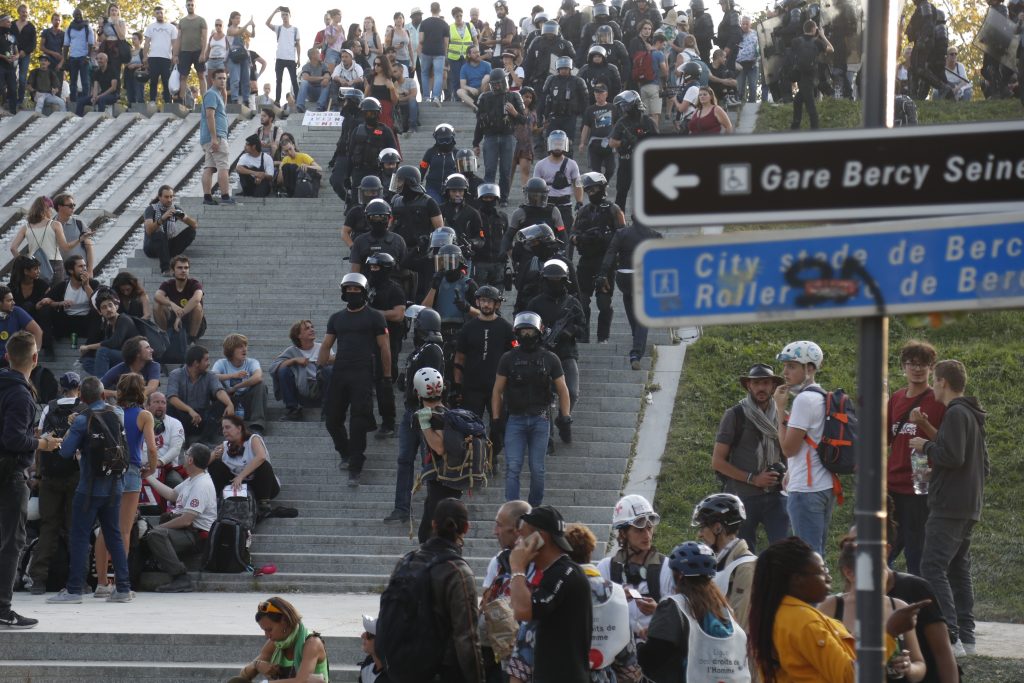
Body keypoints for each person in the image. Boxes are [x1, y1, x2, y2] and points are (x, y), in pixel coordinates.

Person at [748, 536, 927, 683]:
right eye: (822, 571)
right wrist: (890, 632)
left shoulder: (782, 615)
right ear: (797, 580)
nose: (829, 577)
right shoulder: (806, 623)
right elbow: (851, 677)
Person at [909, 359, 988, 656]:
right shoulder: (972, 414)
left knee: (932, 566)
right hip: (968, 504)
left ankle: (951, 637)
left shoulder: (955, 412)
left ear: (942, 382)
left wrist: (925, 447)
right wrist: (936, 473)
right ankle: (967, 637)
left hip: (949, 506)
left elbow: (952, 456)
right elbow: (978, 464)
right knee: (957, 569)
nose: (932, 387)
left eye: (935, 381)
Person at [47, 376, 133, 605]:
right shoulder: (117, 414)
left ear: (82, 398)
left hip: (89, 488)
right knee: (114, 535)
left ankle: (75, 590)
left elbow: (65, 452)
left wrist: (70, 429)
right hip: (115, 485)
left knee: (79, 537)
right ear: (103, 395)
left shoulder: (82, 419)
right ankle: (123, 589)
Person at [381, 498, 484, 681]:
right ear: (466, 528)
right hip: (440, 671)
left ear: (433, 524)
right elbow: (466, 638)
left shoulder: (406, 561)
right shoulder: (458, 572)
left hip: (401, 669)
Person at [638, 541, 749, 683]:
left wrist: (640, 645)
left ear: (679, 575)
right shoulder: (724, 608)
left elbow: (651, 660)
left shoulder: (673, 606)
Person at [492, 312, 572, 506]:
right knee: (513, 467)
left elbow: (563, 389)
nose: (527, 335)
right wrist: (495, 419)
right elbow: (497, 390)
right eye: (523, 331)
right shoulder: (508, 358)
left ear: (539, 332)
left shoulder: (550, 358)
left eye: (530, 331)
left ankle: (534, 508)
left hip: (540, 419)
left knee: (537, 469)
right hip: (515, 419)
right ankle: (512, 509)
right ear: (517, 333)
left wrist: (565, 417)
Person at [819, 538, 927, 682]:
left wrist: (909, 668)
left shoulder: (899, 607)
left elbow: (919, 664)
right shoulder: (831, 607)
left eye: (882, 568)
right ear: (849, 573)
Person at [319, 273, 390, 486]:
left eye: (356, 289)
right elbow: (326, 345)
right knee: (332, 420)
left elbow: (384, 347)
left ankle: (355, 467)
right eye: (348, 289)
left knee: (358, 422)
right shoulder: (336, 318)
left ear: (364, 292)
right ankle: (345, 452)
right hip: (340, 372)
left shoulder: (375, 317)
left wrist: (387, 376)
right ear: (343, 292)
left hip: (363, 373)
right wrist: (319, 367)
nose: (352, 293)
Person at [92, 373, 159, 598]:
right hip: (131, 470)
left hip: (108, 471)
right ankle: (121, 583)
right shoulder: (144, 415)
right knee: (123, 530)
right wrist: (151, 468)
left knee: (104, 528)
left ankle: (102, 583)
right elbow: (151, 448)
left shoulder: (110, 412)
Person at [509, 504, 593, 682]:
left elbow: (523, 610)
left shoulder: (565, 572)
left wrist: (517, 567)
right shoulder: (553, 572)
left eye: (522, 535)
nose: (518, 542)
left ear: (539, 538)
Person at [712, 363, 790, 549]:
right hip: (743, 497)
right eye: (756, 383)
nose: (761, 388)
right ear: (748, 386)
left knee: (783, 552)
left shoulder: (782, 416)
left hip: (776, 495)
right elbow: (717, 461)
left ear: (773, 386)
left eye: (766, 383)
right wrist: (754, 479)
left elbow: (789, 453)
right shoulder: (735, 415)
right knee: (744, 554)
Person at [0, 332, 48, 627]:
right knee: (11, 542)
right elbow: (14, 439)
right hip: (9, 475)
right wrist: (41, 443)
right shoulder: (20, 394)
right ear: (35, 358)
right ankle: (3, 609)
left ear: (7, 356)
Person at [773, 340, 835, 557]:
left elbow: (788, 449)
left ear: (809, 368)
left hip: (806, 490)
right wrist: (791, 470)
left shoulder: (803, 400)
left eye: (791, 366)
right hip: (824, 484)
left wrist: (779, 408)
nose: (785, 372)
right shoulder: (822, 396)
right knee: (817, 553)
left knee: (807, 558)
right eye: (785, 366)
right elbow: (812, 442)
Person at [888, 340, 945, 576]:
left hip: (919, 488)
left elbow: (948, 443)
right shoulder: (896, 398)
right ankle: (883, 593)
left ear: (931, 368)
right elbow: (885, 438)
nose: (917, 369)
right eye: (911, 363)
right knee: (884, 550)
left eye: (923, 364)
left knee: (916, 552)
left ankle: (918, 594)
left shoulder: (938, 400)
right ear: (903, 367)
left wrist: (924, 424)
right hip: (892, 486)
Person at [382, 307, 444, 524]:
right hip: (411, 411)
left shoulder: (432, 349)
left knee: (429, 462)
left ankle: (435, 510)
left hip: (425, 411)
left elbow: (433, 382)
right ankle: (401, 508)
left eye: (416, 324)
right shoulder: (421, 350)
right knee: (404, 460)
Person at [26, 372, 82, 596]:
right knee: (74, 528)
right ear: (79, 387)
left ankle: (38, 580)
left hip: (50, 476)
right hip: (76, 476)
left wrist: (39, 475)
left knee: (48, 527)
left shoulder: (49, 407)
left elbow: (40, 443)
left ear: (60, 387)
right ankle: (78, 580)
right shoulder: (83, 408)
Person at [140, 443, 216, 593]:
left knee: (155, 535)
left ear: (190, 460)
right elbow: (172, 495)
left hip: (196, 535)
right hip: (185, 530)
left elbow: (187, 520)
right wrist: (148, 477)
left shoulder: (202, 484)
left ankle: (181, 578)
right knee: (150, 531)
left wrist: (158, 528)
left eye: (186, 454)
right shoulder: (192, 479)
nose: (184, 456)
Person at [598, 218, 661, 369]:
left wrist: (603, 274)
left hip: (624, 277)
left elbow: (610, 253)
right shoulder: (654, 235)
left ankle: (636, 336)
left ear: (632, 218)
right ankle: (636, 353)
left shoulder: (621, 233)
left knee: (629, 300)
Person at [692, 493, 757, 632]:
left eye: (702, 527)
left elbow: (739, 626)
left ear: (717, 528)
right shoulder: (720, 562)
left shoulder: (746, 566)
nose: (700, 534)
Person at [571, 172, 622, 344]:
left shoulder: (614, 210)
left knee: (604, 302)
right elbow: (572, 234)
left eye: (593, 189)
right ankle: (583, 337)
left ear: (602, 188)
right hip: (586, 261)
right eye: (588, 190)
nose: (590, 193)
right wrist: (582, 238)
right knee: (582, 301)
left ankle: (603, 337)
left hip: (605, 262)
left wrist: (605, 238)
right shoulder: (583, 211)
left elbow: (622, 234)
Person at [229, 597, 330, 683]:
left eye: (269, 629)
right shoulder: (275, 643)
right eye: (264, 630)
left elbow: (301, 681)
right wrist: (257, 665)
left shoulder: (312, 643)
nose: (267, 635)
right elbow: (242, 676)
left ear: (284, 621)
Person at [454, 285, 515, 421]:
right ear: (477, 302)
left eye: (490, 301)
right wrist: (457, 385)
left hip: (498, 386)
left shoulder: (506, 328)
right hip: (472, 387)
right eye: (483, 300)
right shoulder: (468, 328)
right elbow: (459, 358)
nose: (486, 305)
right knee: (471, 426)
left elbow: (515, 353)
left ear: (497, 304)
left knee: (499, 426)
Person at [365, 254, 405, 436]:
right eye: (371, 268)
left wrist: (374, 314)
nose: (372, 271)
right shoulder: (369, 287)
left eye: (376, 268)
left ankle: (388, 423)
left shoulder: (394, 289)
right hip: (368, 339)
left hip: (389, 342)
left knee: (384, 382)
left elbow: (398, 315)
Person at [473, 68, 527, 202]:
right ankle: (489, 197)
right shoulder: (484, 97)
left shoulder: (514, 96)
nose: (497, 86)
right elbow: (479, 123)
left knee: (505, 170)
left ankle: (504, 198)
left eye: (499, 83)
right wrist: (476, 143)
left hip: (508, 137)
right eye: (494, 84)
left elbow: (524, 120)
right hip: (490, 137)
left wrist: (514, 113)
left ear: (504, 82)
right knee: (489, 169)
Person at [210, 414, 280, 516]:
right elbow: (204, 462)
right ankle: (216, 499)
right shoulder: (225, 445)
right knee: (216, 465)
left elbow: (261, 456)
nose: (224, 431)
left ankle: (264, 504)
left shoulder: (253, 439)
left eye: (228, 427)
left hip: (262, 485)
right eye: (223, 428)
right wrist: (214, 455)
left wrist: (241, 476)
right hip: (237, 486)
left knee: (263, 465)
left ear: (239, 428)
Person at [166, 344, 233, 445]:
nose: (209, 363)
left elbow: (219, 391)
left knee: (223, 403)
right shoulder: (176, 374)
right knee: (169, 406)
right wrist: (190, 410)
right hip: (184, 416)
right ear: (196, 363)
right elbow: (172, 397)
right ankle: (181, 439)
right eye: (206, 360)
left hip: (203, 417)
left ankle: (204, 440)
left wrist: (229, 404)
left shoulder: (210, 375)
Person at [8, 196, 78, 286]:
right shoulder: (55, 224)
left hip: (34, 266)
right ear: (46, 208)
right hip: (55, 264)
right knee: (56, 293)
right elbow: (65, 247)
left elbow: (13, 248)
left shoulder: (26, 227)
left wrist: (23, 264)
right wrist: (80, 239)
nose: (52, 211)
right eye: (51, 208)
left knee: (39, 293)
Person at [608, 90, 657, 213]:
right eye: (622, 106)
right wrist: (624, 142)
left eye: (625, 105)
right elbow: (611, 142)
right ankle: (619, 219)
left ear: (633, 104)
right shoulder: (622, 122)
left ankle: (641, 217)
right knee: (621, 191)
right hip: (626, 160)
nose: (623, 108)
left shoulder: (648, 121)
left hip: (643, 162)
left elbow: (657, 142)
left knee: (643, 191)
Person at [269, 320, 328, 422]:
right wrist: (294, 360)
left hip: (321, 390)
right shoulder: (292, 351)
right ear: (298, 335)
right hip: (301, 390)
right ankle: (293, 410)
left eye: (312, 327)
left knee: (329, 370)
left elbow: (337, 362)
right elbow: (273, 368)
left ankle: (328, 411)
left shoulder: (322, 348)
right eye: (307, 328)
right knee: (283, 370)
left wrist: (328, 359)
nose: (312, 330)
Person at [37, 255, 101, 348]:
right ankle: (48, 347)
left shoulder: (93, 284)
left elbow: (98, 303)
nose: (84, 269)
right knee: (46, 310)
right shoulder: (63, 286)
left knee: (96, 313)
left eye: (84, 266)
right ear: (71, 270)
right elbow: (42, 303)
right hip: (67, 322)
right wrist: (59, 303)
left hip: (86, 322)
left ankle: (89, 348)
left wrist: (86, 285)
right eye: (80, 266)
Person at [212, 333, 268, 435]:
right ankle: (220, 424)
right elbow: (211, 377)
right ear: (231, 350)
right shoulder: (221, 363)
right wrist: (233, 375)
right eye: (240, 347)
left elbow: (258, 377)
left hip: (248, 401)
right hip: (229, 400)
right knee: (216, 385)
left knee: (261, 385)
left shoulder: (252, 362)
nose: (244, 349)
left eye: (245, 346)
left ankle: (257, 425)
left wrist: (236, 387)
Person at [76, 290, 136, 378]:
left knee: (103, 351)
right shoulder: (108, 325)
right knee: (87, 361)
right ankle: (110, 380)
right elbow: (107, 344)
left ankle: (102, 384)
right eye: (104, 307)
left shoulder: (124, 320)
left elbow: (114, 343)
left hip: (133, 357)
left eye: (110, 305)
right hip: (119, 358)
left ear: (116, 306)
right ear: (100, 312)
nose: (108, 309)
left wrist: (88, 347)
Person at [144, 186, 200, 277]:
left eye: (171, 196)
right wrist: (162, 219)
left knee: (191, 231)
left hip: (168, 245)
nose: (169, 199)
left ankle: (167, 255)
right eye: (166, 197)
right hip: (152, 247)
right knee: (159, 234)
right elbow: (149, 230)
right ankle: (166, 269)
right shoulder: (151, 209)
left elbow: (194, 225)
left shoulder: (175, 208)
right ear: (159, 197)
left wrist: (184, 217)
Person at [200, 68, 235, 206]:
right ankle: (225, 196)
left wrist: (224, 91)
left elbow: (222, 108)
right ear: (212, 80)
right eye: (219, 78)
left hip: (210, 138)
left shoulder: (217, 95)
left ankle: (207, 197)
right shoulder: (211, 94)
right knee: (223, 166)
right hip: (216, 137)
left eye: (224, 78)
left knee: (209, 167)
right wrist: (214, 137)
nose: (223, 81)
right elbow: (210, 115)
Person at [789, 20, 832, 130]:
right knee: (809, 103)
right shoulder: (817, 42)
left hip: (800, 74)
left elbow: (792, 58)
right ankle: (814, 129)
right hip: (811, 75)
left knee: (798, 100)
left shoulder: (796, 41)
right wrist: (822, 36)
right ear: (813, 29)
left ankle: (795, 127)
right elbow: (831, 49)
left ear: (804, 29)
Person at [154, 255, 206, 342]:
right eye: (180, 268)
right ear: (172, 270)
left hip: (193, 323)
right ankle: (164, 337)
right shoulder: (168, 284)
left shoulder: (194, 284)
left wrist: (180, 315)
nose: (183, 270)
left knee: (197, 306)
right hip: (172, 320)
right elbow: (157, 296)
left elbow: (197, 298)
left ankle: (191, 339)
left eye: (186, 268)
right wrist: (172, 304)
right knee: (157, 304)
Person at [143, 5, 178, 104]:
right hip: (153, 58)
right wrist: (145, 56)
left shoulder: (171, 27)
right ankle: (152, 101)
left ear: (164, 14)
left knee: (166, 81)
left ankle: (168, 102)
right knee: (153, 81)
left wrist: (175, 56)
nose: (160, 15)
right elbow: (146, 43)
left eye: (161, 13)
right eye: (157, 13)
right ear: (154, 14)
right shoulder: (151, 27)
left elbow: (175, 43)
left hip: (166, 58)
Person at [0, 285, 44, 365]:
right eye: (9, 300)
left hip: (14, 362)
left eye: (12, 300)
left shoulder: (16, 311)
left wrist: (34, 354)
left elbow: (38, 331)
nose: (13, 303)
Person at [265, 7, 300, 106]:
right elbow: (267, 23)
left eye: (286, 15)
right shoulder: (279, 28)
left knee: (294, 80)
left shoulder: (295, 30)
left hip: (291, 59)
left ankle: (298, 101)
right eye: (283, 15)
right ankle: (277, 101)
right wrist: (274, 12)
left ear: (289, 16)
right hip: (280, 58)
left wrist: (299, 58)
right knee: (279, 81)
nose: (284, 17)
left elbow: (298, 45)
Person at [418, 2, 450, 104]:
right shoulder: (445, 24)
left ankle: (426, 97)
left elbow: (421, 39)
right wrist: (445, 54)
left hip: (426, 51)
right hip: (439, 52)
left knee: (424, 74)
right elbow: (446, 43)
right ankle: (436, 97)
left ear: (431, 10)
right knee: (438, 74)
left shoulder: (424, 23)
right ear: (439, 10)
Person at [226, 12, 255, 105]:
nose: (238, 20)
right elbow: (236, 33)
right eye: (236, 18)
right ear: (231, 19)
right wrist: (248, 24)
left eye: (239, 18)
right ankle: (235, 99)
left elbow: (252, 35)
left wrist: (253, 27)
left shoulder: (242, 28)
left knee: (246, 78)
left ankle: (246, 99)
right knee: (235, 79)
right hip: (234, 56)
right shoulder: (230, 29)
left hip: (244, 56)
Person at [236, 133, 275, 198]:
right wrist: (255, 173)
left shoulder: (267, 158)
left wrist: (262, 176)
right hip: (249, 185)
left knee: (263, 186)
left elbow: (270, 176)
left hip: (262, 184)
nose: (244, 146)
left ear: (254, 146)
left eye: (247, 145)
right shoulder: (244, 156)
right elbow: (238, 168)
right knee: (243, 169)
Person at [735, 15, 759, 103]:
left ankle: (753, 105)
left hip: (753, 64)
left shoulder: (755, 33)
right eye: (743, 24)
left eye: (747, 24)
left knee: (753, 86)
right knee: (740, 87)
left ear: (750, 24)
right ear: (740, 24)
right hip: (740, 64)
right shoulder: (737, 34)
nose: (745, 26)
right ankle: (739, 104)